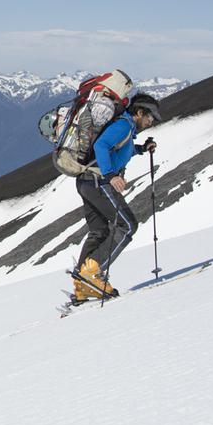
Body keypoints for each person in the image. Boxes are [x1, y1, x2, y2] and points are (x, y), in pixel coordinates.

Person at [73, 93, 161, 299]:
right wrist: (111, 175)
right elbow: (101, 146)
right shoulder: (123, 126)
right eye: (150, 117)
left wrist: (140, 148)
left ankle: (82, 286)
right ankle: (92, 273)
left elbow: (119, 151)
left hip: (86, 181)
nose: (151, 122)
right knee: (128, 225)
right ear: (139, 112)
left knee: (99, 231)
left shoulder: (126, 129)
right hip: (100, 182)